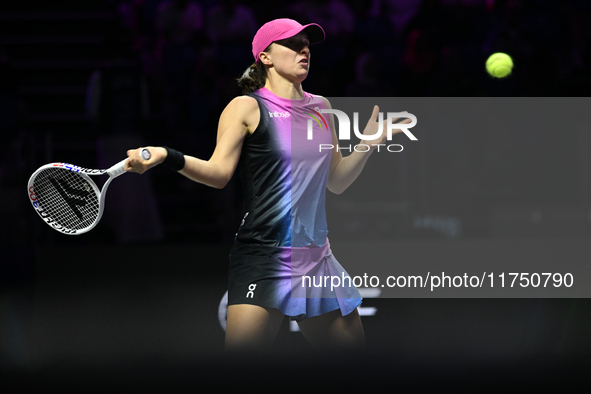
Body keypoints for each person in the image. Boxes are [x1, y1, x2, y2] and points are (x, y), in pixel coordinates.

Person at [125, 18, 409, 352]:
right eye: (291, 43)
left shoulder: (322, 108)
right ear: (266, 57)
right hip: (263, 256)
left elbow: (337, 181)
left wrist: (368, 144)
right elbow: (218, 173)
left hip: (317, 259)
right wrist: (166, 155)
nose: (303, 50)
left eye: (306, 44)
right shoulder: (246, 107)